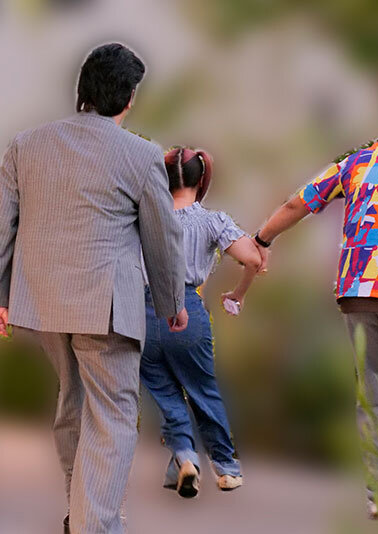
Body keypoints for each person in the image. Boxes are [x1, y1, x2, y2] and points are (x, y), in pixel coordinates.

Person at [0, 43, 188, 534]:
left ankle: (82, 515)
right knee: (112, 416)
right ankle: (92, 526)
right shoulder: (141, 155)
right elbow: (163, 237)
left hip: (45, 302)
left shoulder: (25, 145)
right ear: (129, 98)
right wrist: (172, 302)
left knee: (73, 403)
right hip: (106, 308)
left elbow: (3, 224)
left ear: (83, 90)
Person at [253, 94, 378, 518]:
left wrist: (261, 239)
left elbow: (297, 203)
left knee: (373, 395)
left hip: (357, 293)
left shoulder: (359, 160)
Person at [140, 147, 261, 498]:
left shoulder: (145, 219)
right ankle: (225, 468)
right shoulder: (213, 221)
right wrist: (237, 294)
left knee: (163, 392)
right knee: (202, 388)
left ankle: (185, 455)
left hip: (144, 312)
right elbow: (253, 259)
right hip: (188, 311)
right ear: (201, 179)